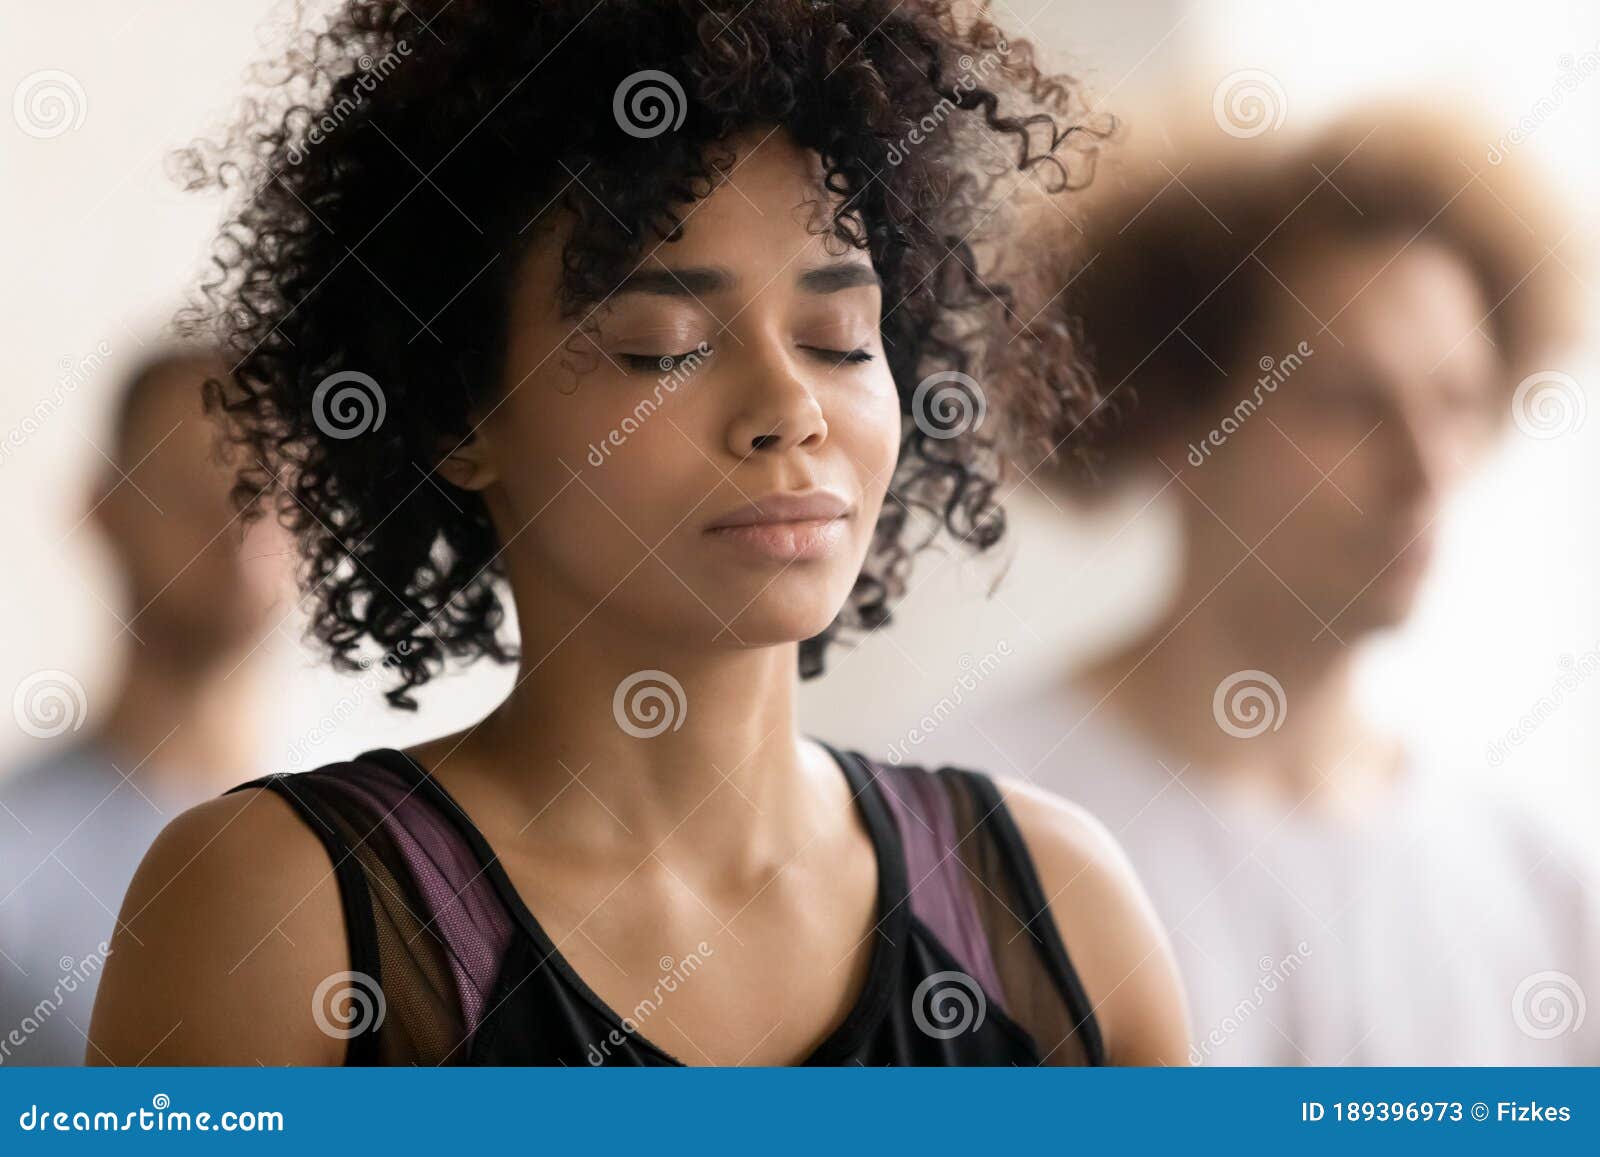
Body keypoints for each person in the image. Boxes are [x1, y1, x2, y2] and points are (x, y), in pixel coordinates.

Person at [87, 0, 1189, 1067]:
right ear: (457, 414)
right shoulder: (283, 919)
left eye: (840, 338)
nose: (790, 409)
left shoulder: (1058, 918)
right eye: (664, 345)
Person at [940, 104, 1599, 1064]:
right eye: (1351, 401)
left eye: (1456, 400)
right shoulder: (973, 837)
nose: (1428, 467)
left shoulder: (1537, 880)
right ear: (1178, 423)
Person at [0, 348, 290, 1064]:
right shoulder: (15, 858)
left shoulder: (376, 854)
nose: (231, 528)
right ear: (104, 509)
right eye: (188, 488)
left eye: (259, 492)